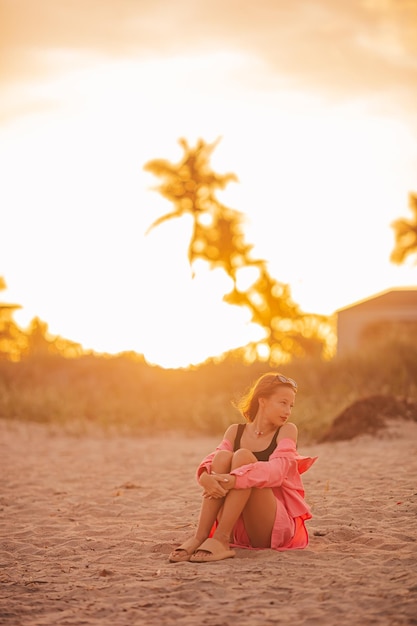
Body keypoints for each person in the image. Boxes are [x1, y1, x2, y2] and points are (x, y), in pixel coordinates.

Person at [168, 372, 318, 563]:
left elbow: (279, 471)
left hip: (270, 526)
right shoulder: (235, 431)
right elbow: (215, 457)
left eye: (291, 405)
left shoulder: (287, 430)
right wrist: (204, 476)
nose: (288, 411)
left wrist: (236, 479)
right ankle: (201, 536)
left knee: (243, 457)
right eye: (282, 403)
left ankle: (221, 538)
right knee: (223, 457)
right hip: (240, 528)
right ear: (262, 401)